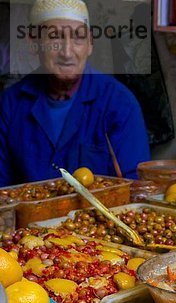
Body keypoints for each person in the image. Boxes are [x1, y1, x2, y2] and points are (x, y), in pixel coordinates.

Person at [0, 0, 150, 185]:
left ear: (90, 44)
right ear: (34, 43)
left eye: (78, 37)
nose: (67, 52)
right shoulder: (9, 105)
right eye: (55, 37)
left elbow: (134, 188)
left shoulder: (119, 104)